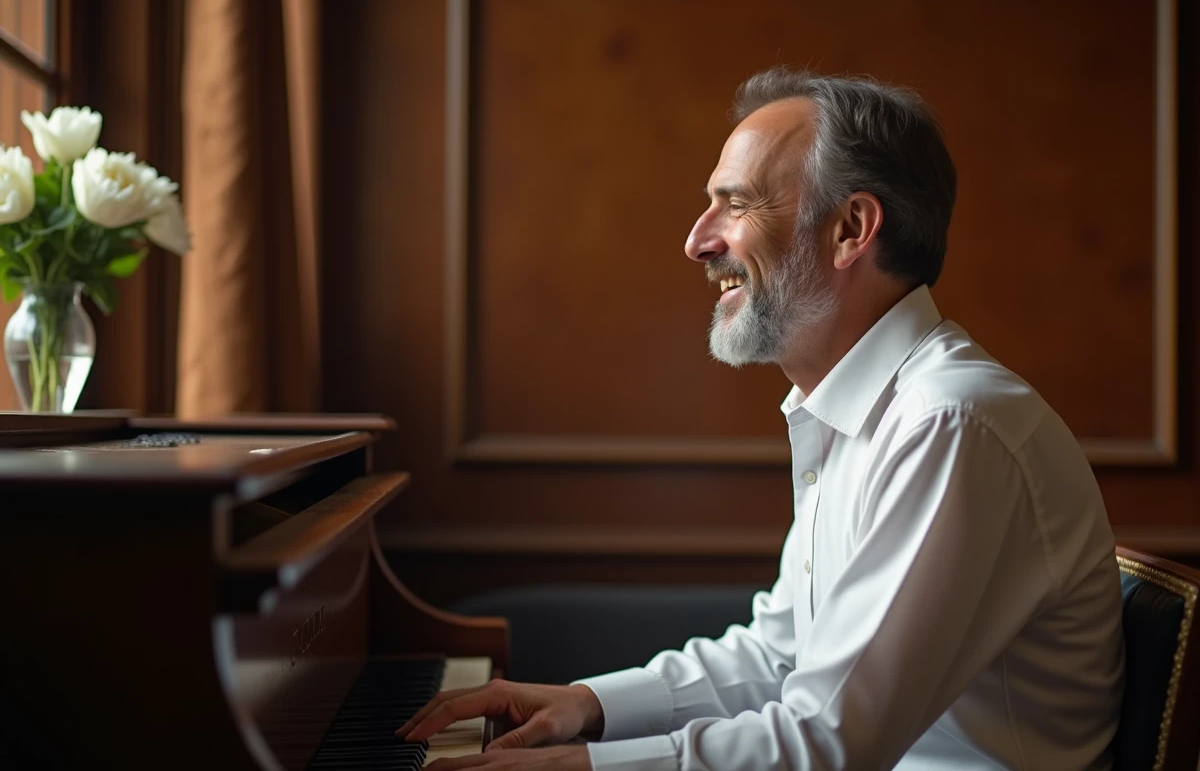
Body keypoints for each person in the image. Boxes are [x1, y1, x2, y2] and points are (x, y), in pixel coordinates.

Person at [395, 68, 1126, 770]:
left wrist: (583, 766)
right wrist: (589, 705)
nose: (697, 240)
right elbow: (783, 654)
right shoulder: (858, 413)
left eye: (735, 203)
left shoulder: (950, 424)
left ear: (851, 229)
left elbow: (826, 744)